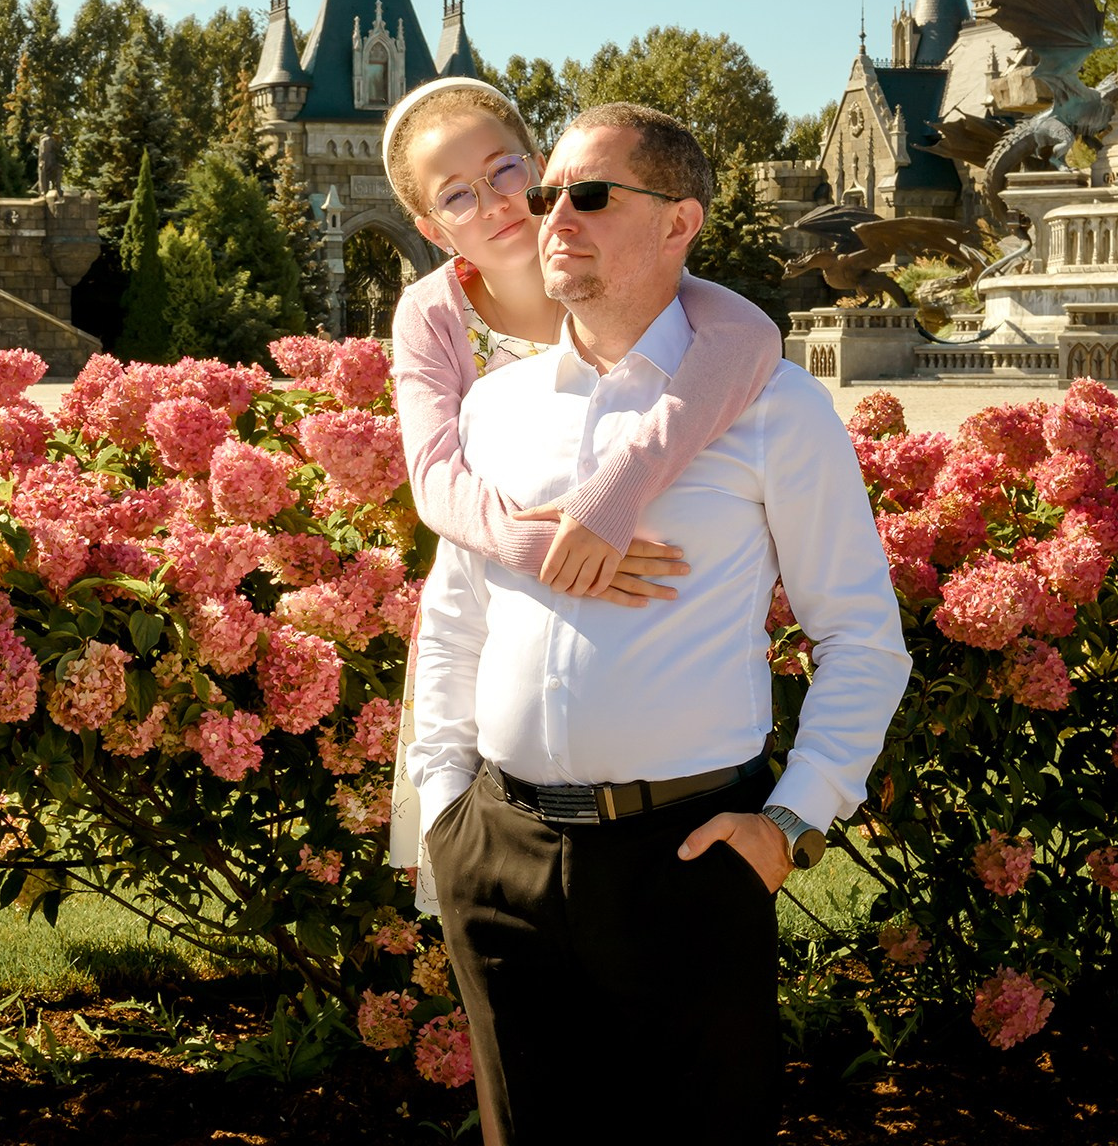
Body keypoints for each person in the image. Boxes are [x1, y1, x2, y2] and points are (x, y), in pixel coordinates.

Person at [403, 102, 912, 1143]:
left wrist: (791, 823)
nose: (551, 217)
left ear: (680, 221)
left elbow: (862, 635)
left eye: (589, 196)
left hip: (687, 865)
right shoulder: (494, 409)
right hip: (496, 855)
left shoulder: (775, 406)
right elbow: (455, 620)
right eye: (546, 195)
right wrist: (448, 810)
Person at [380, 80, 784, 908]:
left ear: (541, 164)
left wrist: (608, 503)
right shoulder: (434, 313)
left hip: (661, 651)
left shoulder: (634, 271)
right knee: (490, 902)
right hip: (502, 612)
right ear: (430, 227)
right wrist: (550, 550)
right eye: (458, 195)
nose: (495, 203)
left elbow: (754, 336)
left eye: (506, 172)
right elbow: (435, 481)